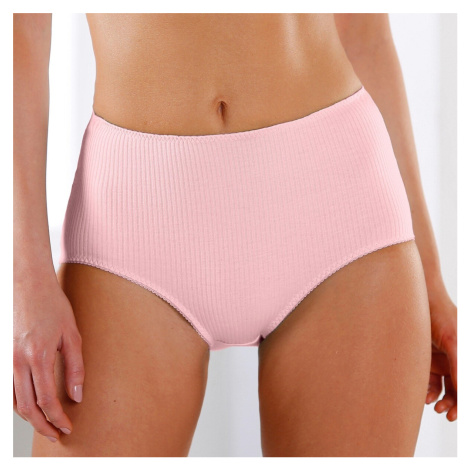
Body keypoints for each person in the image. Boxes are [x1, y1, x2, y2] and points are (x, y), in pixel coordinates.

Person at [13, 13, 457, 457]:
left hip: (341, 206)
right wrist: (25, 282)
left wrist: (430, 278)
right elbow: (21, 30)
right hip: (133, 216)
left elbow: (362, 30)